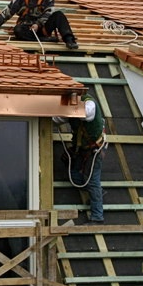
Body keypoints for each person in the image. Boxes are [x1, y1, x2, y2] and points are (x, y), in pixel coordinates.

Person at [54, 92, 107, 223]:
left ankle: (97, 217)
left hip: (94, 149)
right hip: (82, 149)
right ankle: (98, 193)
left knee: (93, 181)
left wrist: (69, 109)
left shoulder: (88, 102)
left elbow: (88, 114)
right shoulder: (69, 106)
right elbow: (57, 119)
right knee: (75, 176)